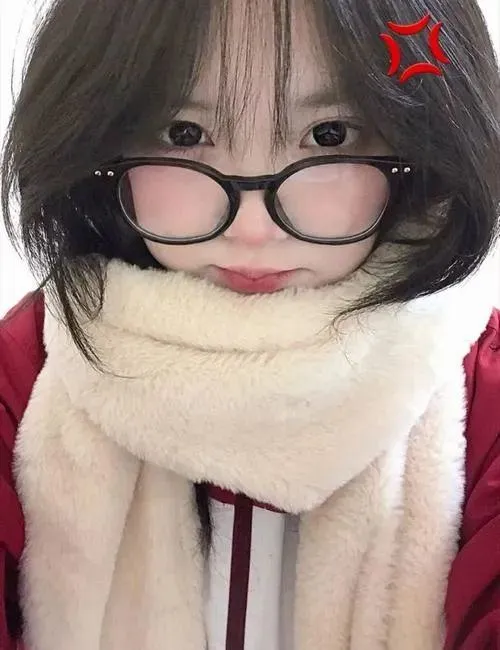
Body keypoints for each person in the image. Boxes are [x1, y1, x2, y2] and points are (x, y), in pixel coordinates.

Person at [1, 0, 499, 648]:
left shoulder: (483, 395)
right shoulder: (25, 376)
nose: (253, 227)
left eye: (329, 135)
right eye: (184, 133)